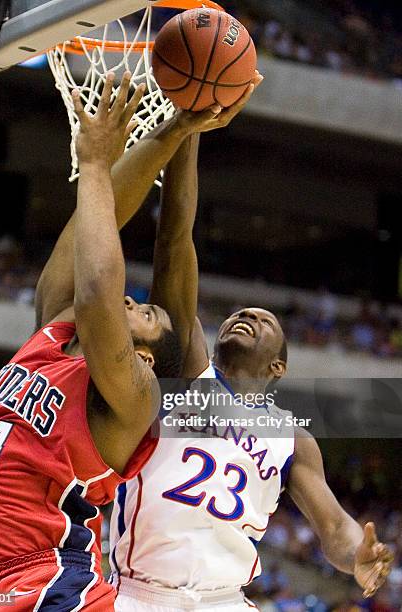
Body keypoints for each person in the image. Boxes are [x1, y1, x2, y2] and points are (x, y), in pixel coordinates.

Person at [109, 76, 394, 610]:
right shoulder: (186, 375)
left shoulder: (291, 439)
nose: (245, 317)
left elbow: (334, 526)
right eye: (239, 314)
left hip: (225, 599)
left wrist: (359, 554)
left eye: (262, 320)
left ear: (279, 367)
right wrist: (188, 130)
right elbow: (176, 238)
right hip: (138, 594)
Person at [0, 74, 176, 612]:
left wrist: (96, 164)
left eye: (145, 313)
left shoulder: (135, 396)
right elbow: (84, 246)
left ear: (144, 357)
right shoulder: (53, 336)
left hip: (54, 586)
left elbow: (101, 289)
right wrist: (172, 133)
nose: (130, 302)